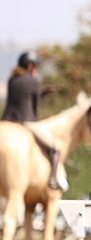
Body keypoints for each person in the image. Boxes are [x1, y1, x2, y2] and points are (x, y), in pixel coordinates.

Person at [2, 51, 66, 191]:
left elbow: (21, 98)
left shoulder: (12, 79)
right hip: (26, 122)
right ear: (31, 66)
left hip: (7, 120)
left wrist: (42, 93)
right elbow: (34, 107)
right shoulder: (35, 81)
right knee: (56, 147)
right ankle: (53, 179)